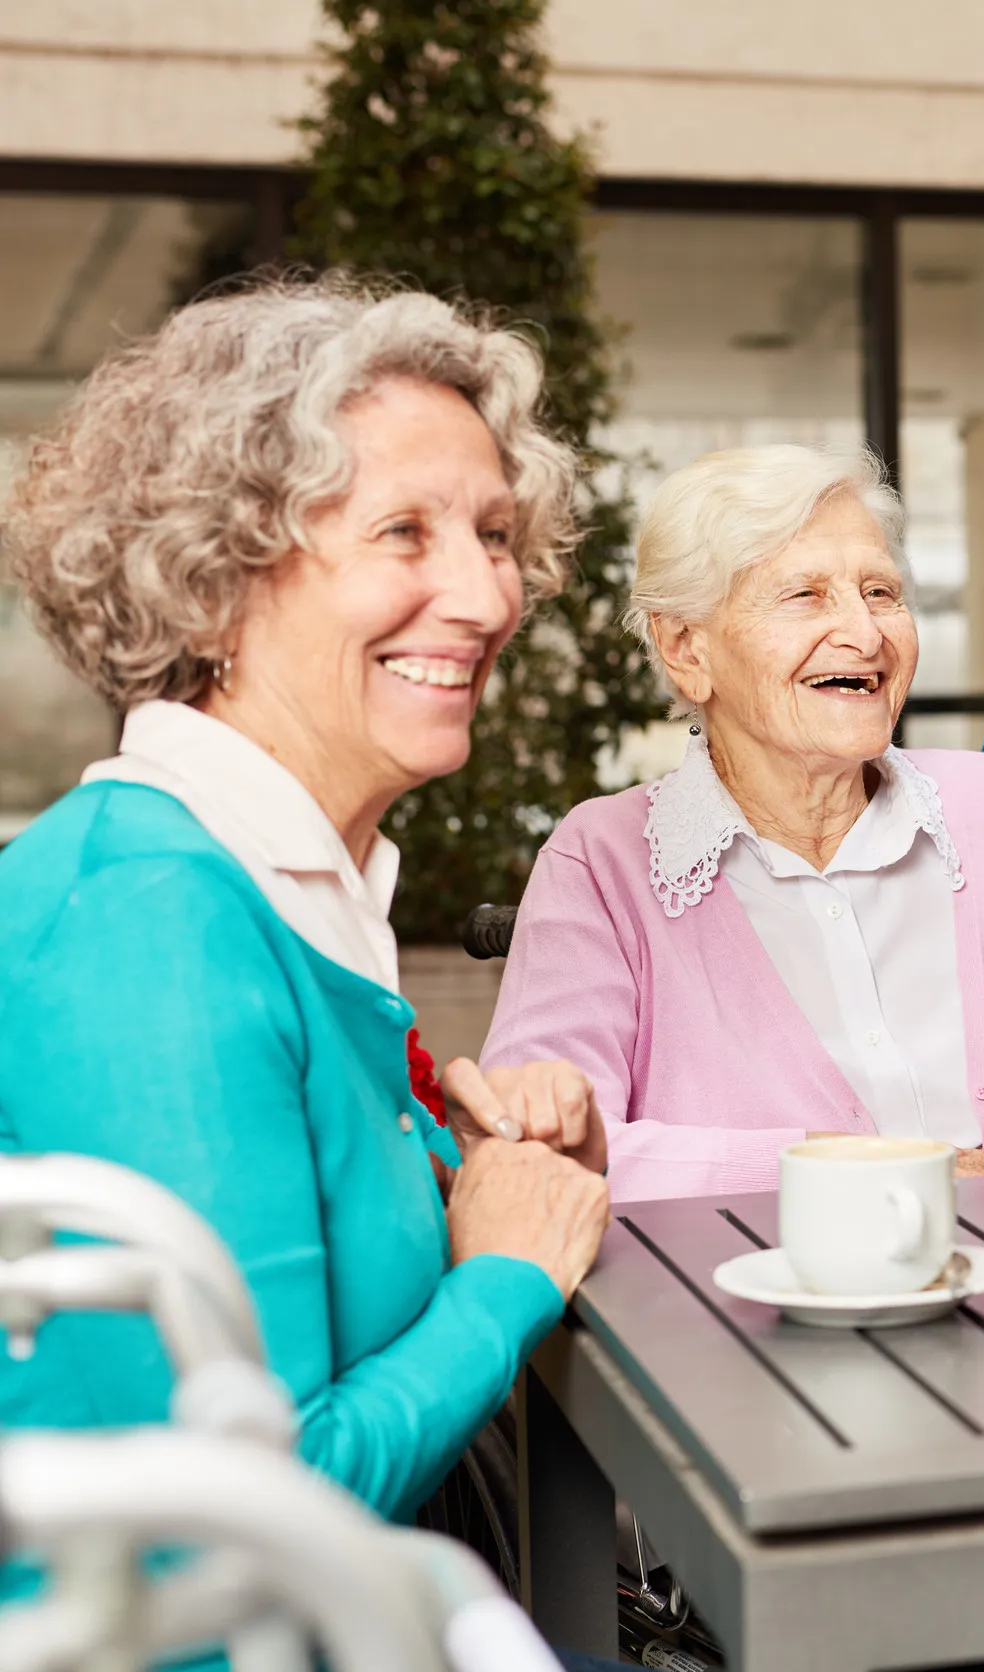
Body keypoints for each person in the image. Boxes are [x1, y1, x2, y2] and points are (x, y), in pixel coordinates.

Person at [0, 279, 611, 1524]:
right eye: (404, 533)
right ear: (217, 579)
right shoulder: (144, 927)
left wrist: (479, 1168)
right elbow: (257, 1510)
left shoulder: (276, 882)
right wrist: (503, 1274)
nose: (490, 599)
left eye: (494, 535)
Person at [483, 445, 984, 1204]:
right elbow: (546, 1152)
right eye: (805, 596)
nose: (864, 635)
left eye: (881, 592)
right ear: (686, 651)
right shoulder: (600, 863)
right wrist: (862, 1165)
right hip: (752, 1310)